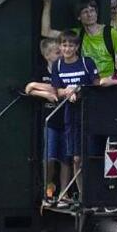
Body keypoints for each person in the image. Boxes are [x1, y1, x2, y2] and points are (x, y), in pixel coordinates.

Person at [23, 32, 96, 201]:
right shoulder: (49, 70)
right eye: (58, 50)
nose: (63, 51)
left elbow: (66, 88)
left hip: (71, 116)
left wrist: (70, 91)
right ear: (47, 55)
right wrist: (45, 93)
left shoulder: (77, 65)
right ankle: (48, 189)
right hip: (55, 118)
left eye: (67, 47)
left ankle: (65, 193)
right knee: (50, 156)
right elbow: (39, 89)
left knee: (68, 157)